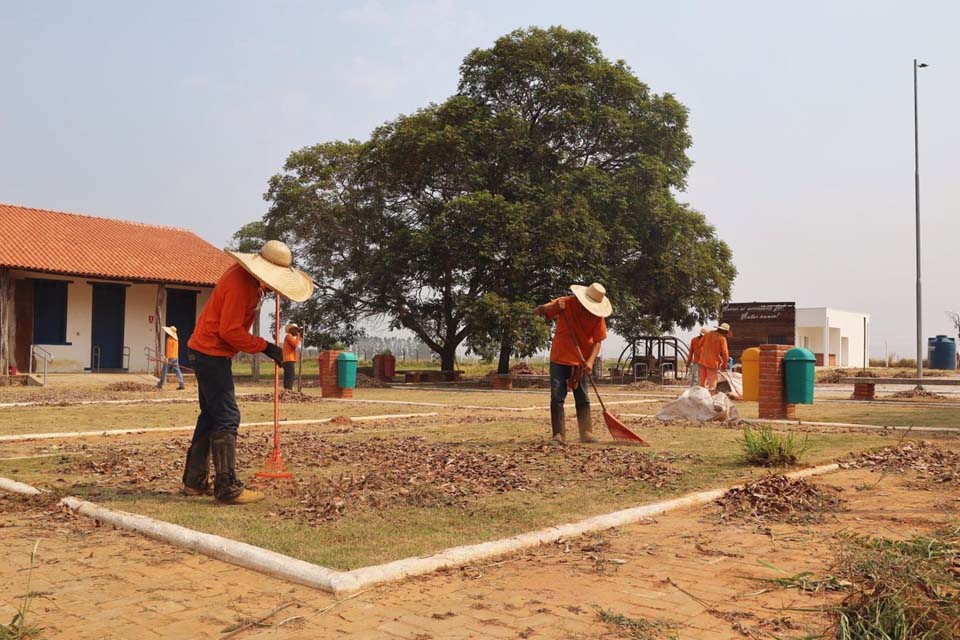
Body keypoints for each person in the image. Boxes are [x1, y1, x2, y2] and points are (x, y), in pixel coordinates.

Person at [181, 240, 313, 504]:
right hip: (211, 353)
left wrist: (264, 346)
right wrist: (265, 347)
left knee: (211, 416)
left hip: (206, 351)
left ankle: (194, 481)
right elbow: (229, 331)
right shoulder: (242, 285)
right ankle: (227, 487)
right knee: (228, 416)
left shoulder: (244, 279)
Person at [534, 282, 612, 445]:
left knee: (583, 397)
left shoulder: (598, 317)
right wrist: (552, 307)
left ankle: (586, 432)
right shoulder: (566, 303)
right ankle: (559, 435)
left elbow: (598, 341)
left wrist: (590, 361)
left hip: (581, 361)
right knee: (557, 397)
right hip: (560, 357)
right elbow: (538, 311)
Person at [699, 323, 732, 393]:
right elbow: (725, 353)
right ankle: (711, 398)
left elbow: (700, 344)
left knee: (702, 382)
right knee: (712, 384)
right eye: (725, 332)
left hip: (703, 361)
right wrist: (724, 365)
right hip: (712, 363)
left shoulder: (707, 334)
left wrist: (708, 349)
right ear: (724, 331)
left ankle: (700, 397)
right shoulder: (722, 338)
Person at [157, 326, 186, 390]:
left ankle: (161, 384)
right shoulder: (176, 340)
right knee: (177, 370)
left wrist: (166, 358)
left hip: (170, 357)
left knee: (164, 370)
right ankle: (181, 384)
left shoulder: (169, 339)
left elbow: (168, 350)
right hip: (175, 357)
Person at [282, 323, 302, 391]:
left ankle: (287, 390)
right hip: (288, 360)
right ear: (291, 330)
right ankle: (288, 390)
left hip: (289, 360)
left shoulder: (290, 337)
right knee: (290, 376)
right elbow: (295, 345)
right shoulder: (288, 336)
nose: (296, 332)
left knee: (290, 375)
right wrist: (298, 336)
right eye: (295, 330)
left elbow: (295, 344)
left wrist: (298, 338)